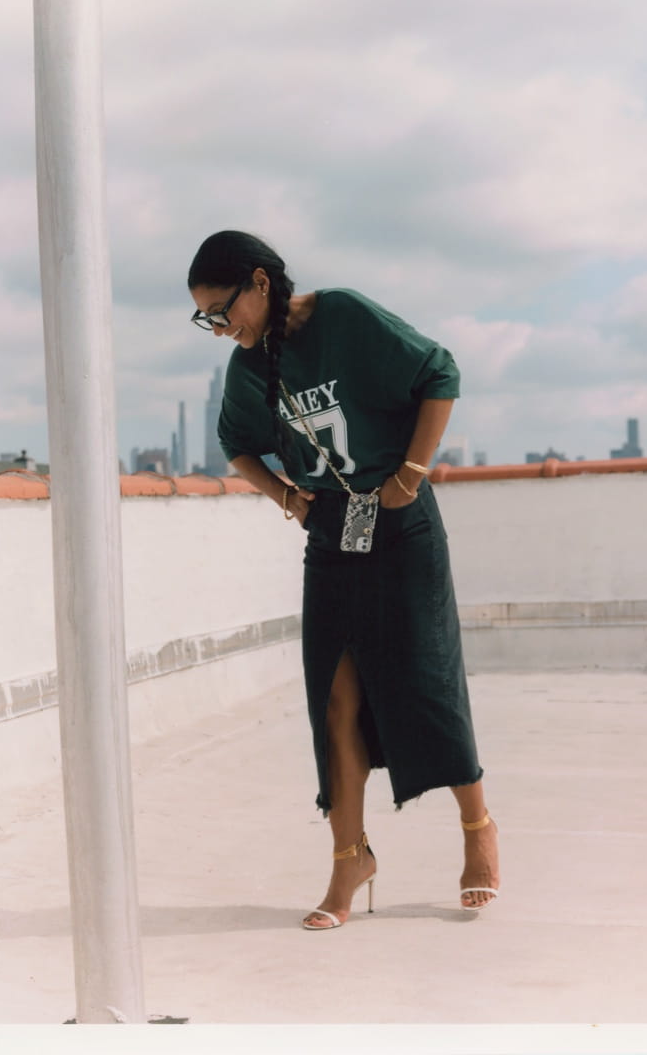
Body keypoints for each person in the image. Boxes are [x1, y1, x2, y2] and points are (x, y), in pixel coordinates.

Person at [187, 229, 499, 930]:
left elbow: (439, 373)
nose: (220, 328)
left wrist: (411, 475)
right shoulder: (247, 366)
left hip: (402, 520)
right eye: (205, 319)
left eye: (221, 311)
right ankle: (348, 859)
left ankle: (477, 826)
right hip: (331, 531)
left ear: (260, 283)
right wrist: (288, 499)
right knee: (335, 698)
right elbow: (236, 443)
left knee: (427, 680)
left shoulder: (344, 316)